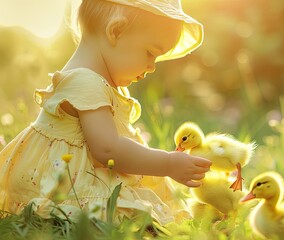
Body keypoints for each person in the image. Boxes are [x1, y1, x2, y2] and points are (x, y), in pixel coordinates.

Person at [0, 0, 211, 225]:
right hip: (69, 184)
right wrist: (167, 164)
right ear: (115, 31)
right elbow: (108, 149)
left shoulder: (94, 80)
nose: (152, 66)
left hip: (86, 174)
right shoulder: (85, 81)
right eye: (150, 53)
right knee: (130, 215)